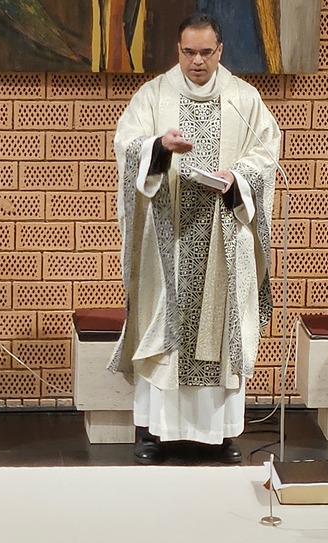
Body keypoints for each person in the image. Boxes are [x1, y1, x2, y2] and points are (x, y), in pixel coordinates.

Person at [112, 12, 281, 465]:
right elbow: (127, 144)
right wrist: (158, 147)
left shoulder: (243, 99)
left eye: (206, 52)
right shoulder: (154, 95)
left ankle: (219, 434)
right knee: (163, 328)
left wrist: (238, 176)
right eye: (189, 52)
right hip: (167, 239)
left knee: (220, 332)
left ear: (220, 50)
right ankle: (153, 432)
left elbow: (266, 153)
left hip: (222, 235)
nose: (198, 61)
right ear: (178, 50)